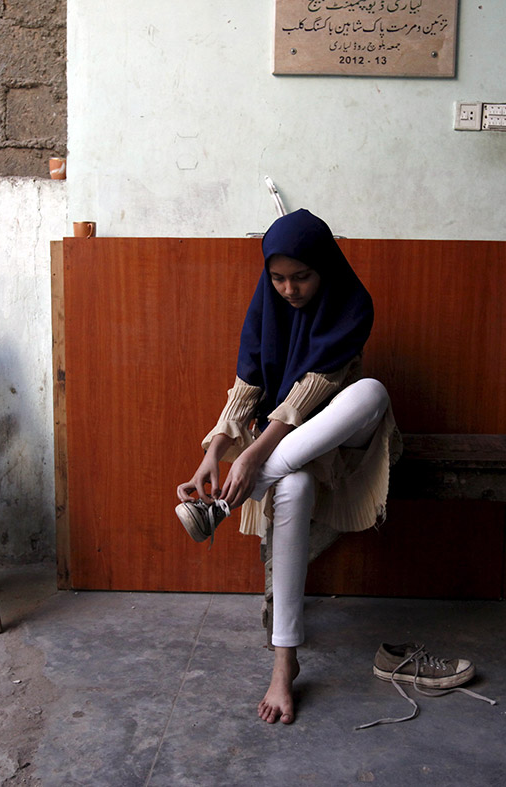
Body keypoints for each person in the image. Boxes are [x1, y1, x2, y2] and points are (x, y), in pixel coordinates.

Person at [175, 208, 401, 725]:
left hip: (342, 436)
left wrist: (254, 457)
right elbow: (248, 384)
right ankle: (285, 664)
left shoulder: (352, 303)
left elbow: (312, 391)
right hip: (293, 453)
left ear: (323, 268)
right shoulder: (266, 306)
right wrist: (214, 451)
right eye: (278, 278)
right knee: (293, 488)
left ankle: (226, 506)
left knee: (372, 391)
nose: (289, 290)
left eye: (301, 277)